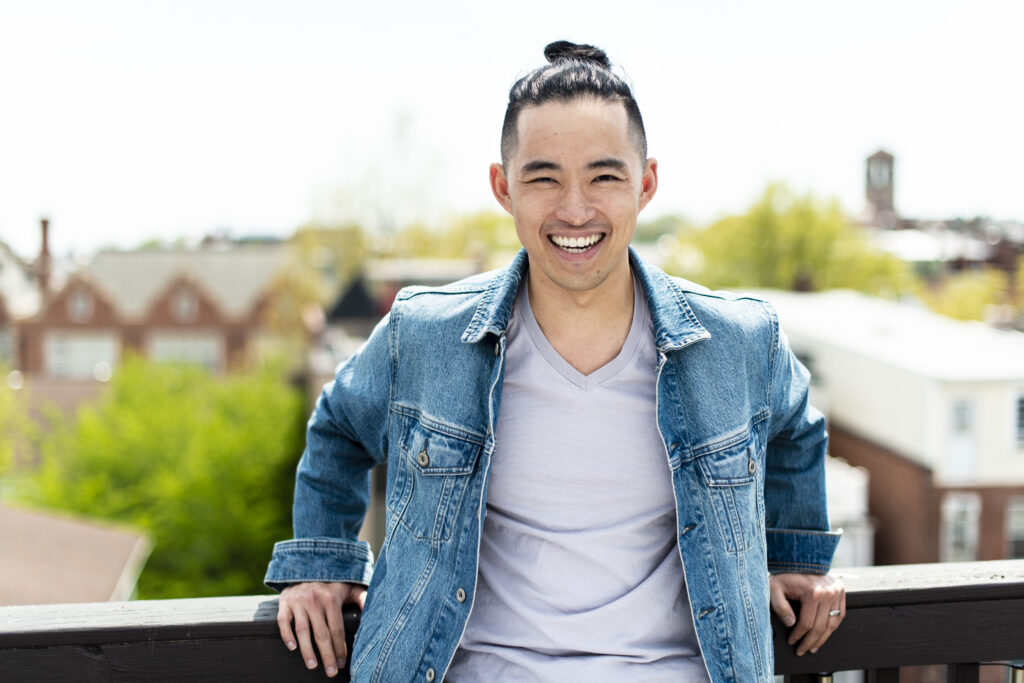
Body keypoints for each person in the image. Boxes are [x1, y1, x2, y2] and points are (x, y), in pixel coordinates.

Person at [265, 40, 845, 682]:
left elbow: (797, 429)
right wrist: (322, 565)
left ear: (646, 183)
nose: (575, 209)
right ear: (502, 187)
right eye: (543, 178)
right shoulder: (425, 336)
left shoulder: (737, 342)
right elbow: (339, 428)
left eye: (604, 176)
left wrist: (794, 556)